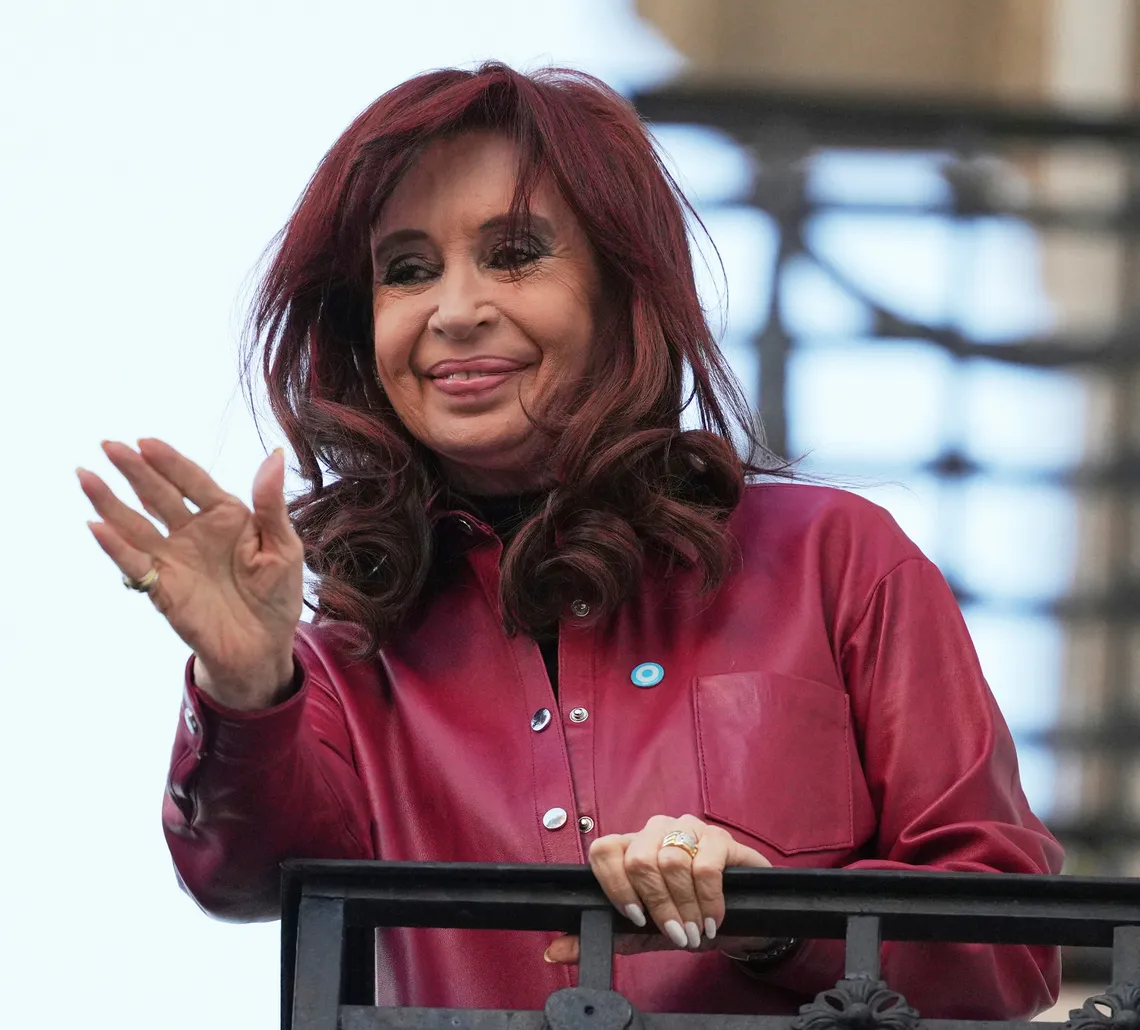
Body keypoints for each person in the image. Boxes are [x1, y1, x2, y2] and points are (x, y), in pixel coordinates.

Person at [77, 63, 1062, 1018]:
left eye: (514, 254)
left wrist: (768, 917)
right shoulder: (346, 661)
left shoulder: (833, 557)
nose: (456, 311)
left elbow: (1010, 951)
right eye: (407, 271)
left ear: (622, 290)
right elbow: (240, 875)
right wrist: (247, 685)